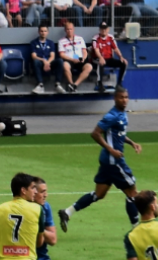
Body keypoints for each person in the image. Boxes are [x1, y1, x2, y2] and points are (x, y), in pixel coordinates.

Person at [60, 88, 143, 230]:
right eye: (121, 97)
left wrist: (131, 143)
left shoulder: (122, 114)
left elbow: (119, 134)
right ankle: (136, 229)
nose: (124, 100)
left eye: (126, 97)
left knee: (99, 194)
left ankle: (67, 212)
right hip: (113, 161)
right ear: (115, 99)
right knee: (132, 193)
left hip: (107, 161)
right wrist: (111, 149)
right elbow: (95, 133)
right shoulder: (111, 116)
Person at [57, 19, 94, 90]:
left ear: (73, 29)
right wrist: (72, 60)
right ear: (65, 30)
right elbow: (61, 54)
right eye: (67, 29)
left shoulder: (80, 38)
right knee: (65, 65)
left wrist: (83, 58)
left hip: (80, 59)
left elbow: (84, 51)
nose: (69, 31)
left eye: (71, 29)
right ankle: (71, 83)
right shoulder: (61, 41)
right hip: (69, 60)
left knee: (89, 67)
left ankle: (75, 85)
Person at [91, 22, 128, 89]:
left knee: (123, 63)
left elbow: (116, 48)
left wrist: (121, 57)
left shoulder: (111, 37)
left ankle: (119, 83)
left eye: (105, 29)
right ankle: (100, 84)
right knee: (101, 62)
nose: (104, 30)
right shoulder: (95, 38)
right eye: (102, 28)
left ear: (108, 29)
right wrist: (100, 58)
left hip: (109, 58)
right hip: (97, 58)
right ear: (99, 29)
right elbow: (96, 50)